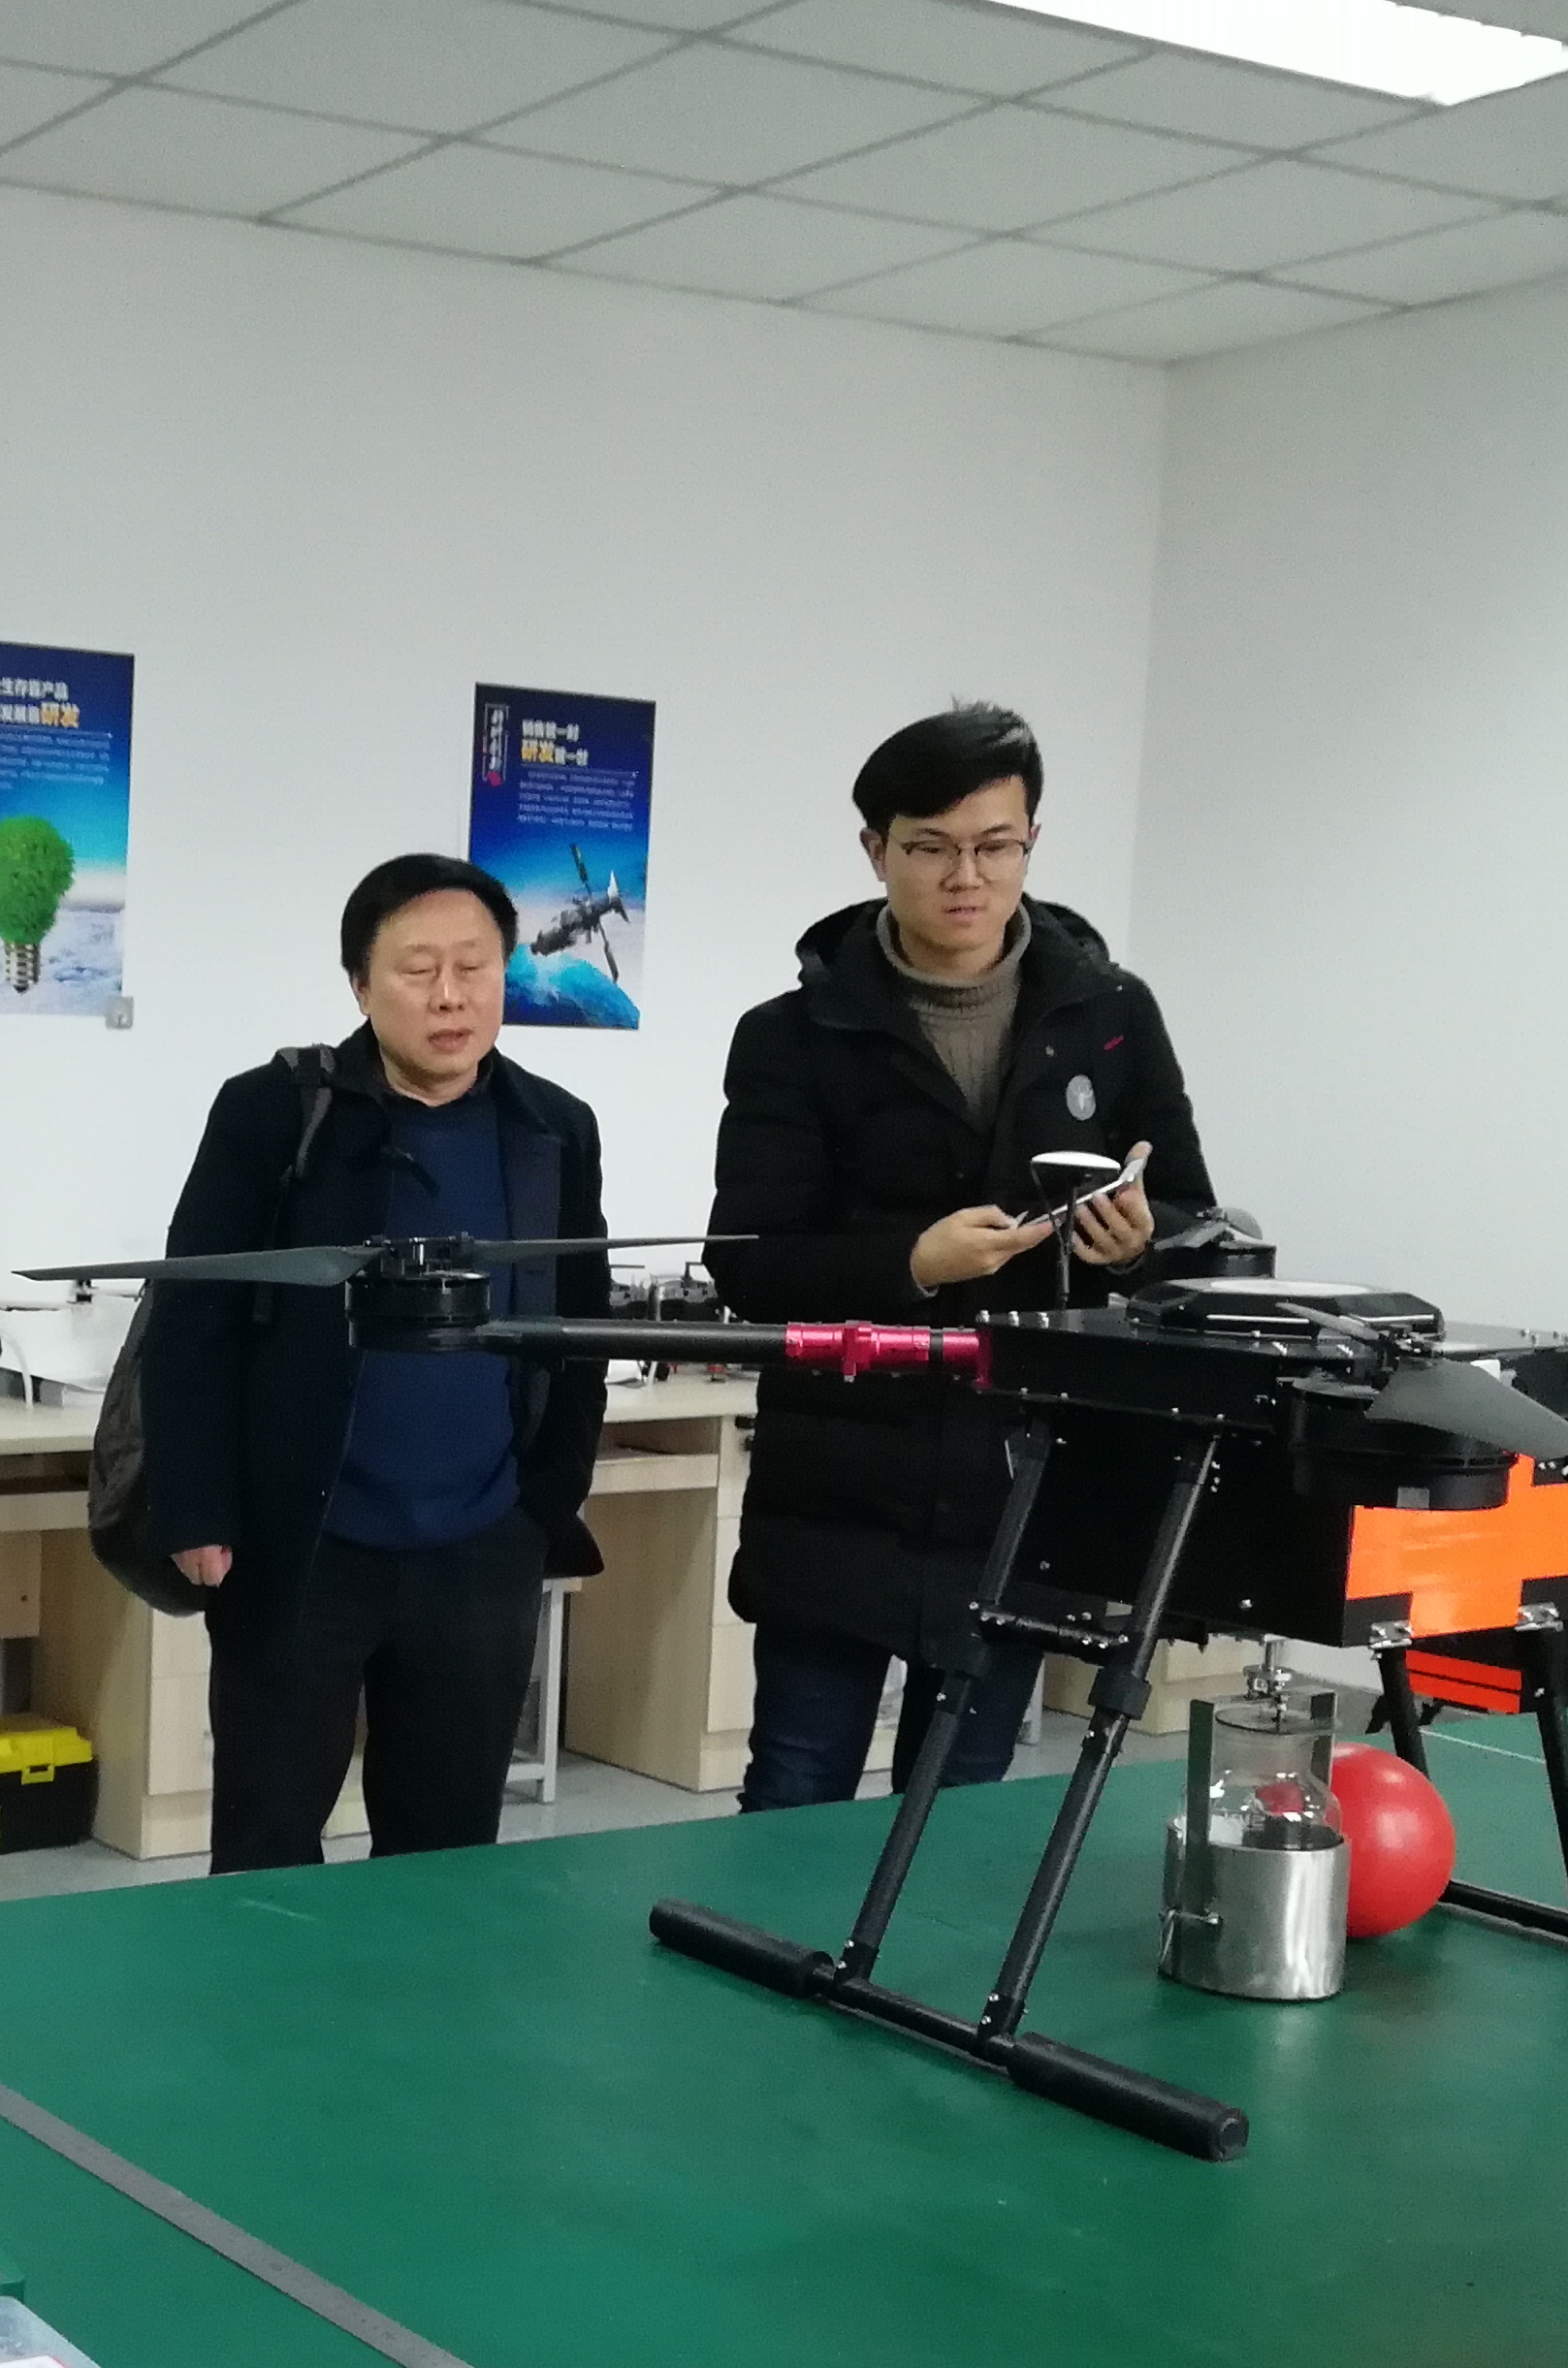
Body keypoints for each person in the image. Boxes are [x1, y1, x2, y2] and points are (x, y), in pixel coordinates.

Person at [707, 702, 1214, 1813]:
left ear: (1030, 842)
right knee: (794, 1792)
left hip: (1019, 1478)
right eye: (929, 847)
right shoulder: (789, 1036)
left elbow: (1195, 1225)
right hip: (836, 1484)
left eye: (995, 846)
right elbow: (748, 1266)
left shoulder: (1109, 1016)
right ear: (874, 849)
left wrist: (1140, 1245)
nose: (964, 877)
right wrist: (912, 1265)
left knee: (961, 1804)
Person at [142, 852, 611, 1874]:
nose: (449, 996)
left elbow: (580, 1329)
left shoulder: (553, 1129)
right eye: (416, 969)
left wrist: (543, 1505)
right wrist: (195, 1509)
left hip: (480, 1546)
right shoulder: (276, 1112)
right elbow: (191, 1315)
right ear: (359, 984)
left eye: (473, 967)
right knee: (267, 1843)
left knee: (446, 1855)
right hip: (300, 1544)